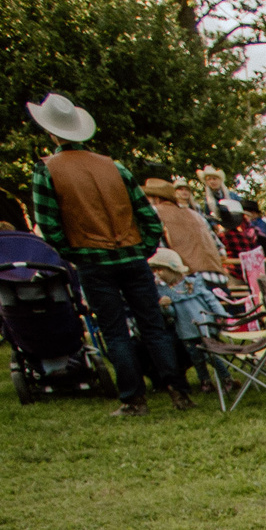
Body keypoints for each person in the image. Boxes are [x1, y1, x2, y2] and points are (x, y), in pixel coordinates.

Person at [22, 93, 191, 416]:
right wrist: (143, 248)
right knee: (153, 325)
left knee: (115, 331)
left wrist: (74, 252)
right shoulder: (114, 166)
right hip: (132, 255)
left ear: (51, 132)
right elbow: (148, 216)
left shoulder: (47, 170)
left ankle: (134, 400)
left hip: (93, 260)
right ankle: (178, 391)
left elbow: (48, 223)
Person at [147, 247, 227, 390]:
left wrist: (220, 314)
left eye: (160, 270)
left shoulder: (193, 283)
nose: (157, 274)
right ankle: (205, 382)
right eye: (154, 271)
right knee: (196, 358)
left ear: (172, 268)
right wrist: (165, 307)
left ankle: (226, 378)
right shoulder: (164, 291)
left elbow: (211, 300)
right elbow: (172, 314)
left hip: (204, 326)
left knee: (211, 355)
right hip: (186, 331)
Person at [146, 178, 227, 277]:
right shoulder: (196, 215)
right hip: (216, 276)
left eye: (147, 197)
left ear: (156, 198)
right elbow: (220, 249)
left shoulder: (154, 212)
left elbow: (157, 251)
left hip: (186, 278)